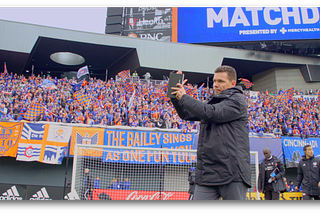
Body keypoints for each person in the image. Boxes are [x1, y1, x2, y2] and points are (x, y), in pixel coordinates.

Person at [170, 66, 251, 200]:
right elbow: (186, 113)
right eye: (214, 81)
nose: (216, 85)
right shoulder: (213, 101)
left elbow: (210, 113)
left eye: (221, 81)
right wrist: (175, 92)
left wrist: (184, 97)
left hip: (232, 172)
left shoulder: (237, 101)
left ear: (233, 84)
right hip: (208, 172)